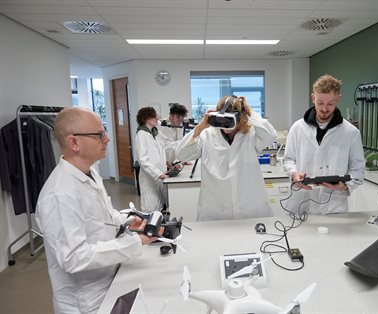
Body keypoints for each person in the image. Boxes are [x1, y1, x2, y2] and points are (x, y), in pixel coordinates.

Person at [35, 107, 158, 314]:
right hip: (85, 301)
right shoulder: (59, 195)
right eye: (99, 134)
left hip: (110, 281)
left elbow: (101, 216)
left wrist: (127, 221)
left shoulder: (89, 172)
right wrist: (133, 243)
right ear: (74, 142)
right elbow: (74, 257)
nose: (107, 139)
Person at [175, 95, 277, 221]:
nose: (224, 125)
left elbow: (270, 135)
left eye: (229, 119)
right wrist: (200, 127)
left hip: (250, 209)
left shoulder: (251, 135)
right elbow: (181, 154)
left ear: (240, 117)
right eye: (221, 118)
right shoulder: (207, 135)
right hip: (216, 211)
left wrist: (249, 111)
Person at [283, 74, 365, 215]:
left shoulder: (351, 132)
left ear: (338, 98)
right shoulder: (297, 128)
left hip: (333, 207)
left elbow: (358, 168)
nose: (325, 109)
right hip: (301, 204)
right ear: (313, 97)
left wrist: (345, 186)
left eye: (330, 103)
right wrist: (294, 173)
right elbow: (288, 160)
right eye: (320, 103)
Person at [135, 107, 177, 213]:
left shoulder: (156, 132)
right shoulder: (141, 135)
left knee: (162, 209)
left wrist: (169, 162)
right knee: (151, 210)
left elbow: (168, 144)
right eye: (154, 116)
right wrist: (158, 174)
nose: (156, 118)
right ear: (146, 119)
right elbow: (143, 160)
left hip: (161, 176)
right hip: (150, 179)